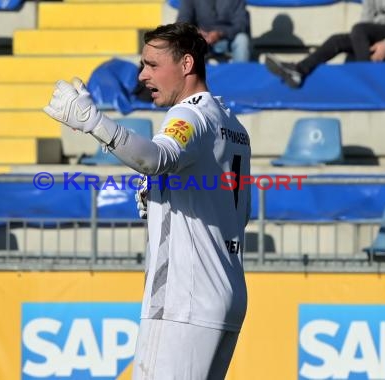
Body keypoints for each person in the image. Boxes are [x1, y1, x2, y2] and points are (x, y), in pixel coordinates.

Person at [43, 22, 252, 379]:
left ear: (186, 64)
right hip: (225, 295)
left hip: (184, 301)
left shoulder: (189, 114)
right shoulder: (232, 125)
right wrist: (160, 196)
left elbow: (155, 159)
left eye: (152, 65)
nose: (142, 75)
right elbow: (239, 212)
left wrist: (92, 121)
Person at [265, 0, 385, 88]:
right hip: (380, 32)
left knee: (359, 30)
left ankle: (368, 79)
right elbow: (367, 20)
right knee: (338, 40)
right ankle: (298, 71)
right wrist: (363, 45)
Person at [177, 0, 251, 62]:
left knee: (242, 40)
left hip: (227, 39)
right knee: (184, 39)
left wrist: (220, 33)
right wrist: (197, 32)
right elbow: (182, 22)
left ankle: (241, 75)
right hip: (200, 41)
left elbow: (241, 24)